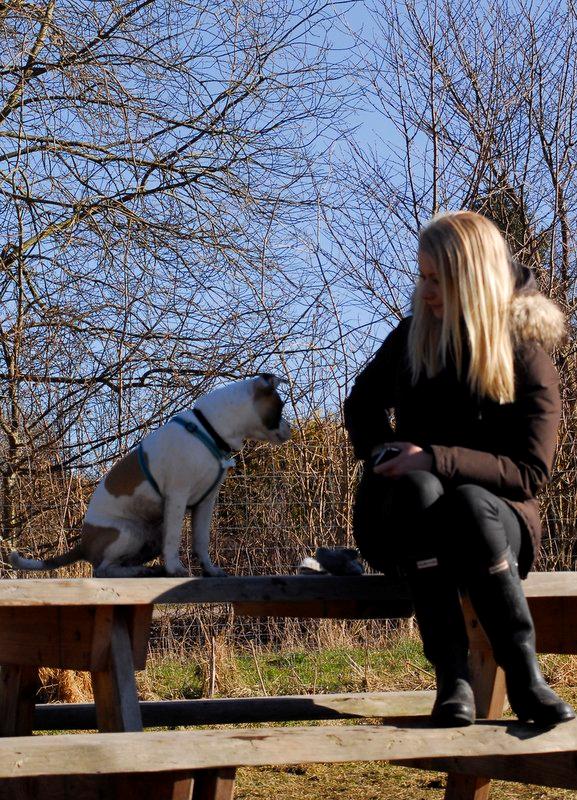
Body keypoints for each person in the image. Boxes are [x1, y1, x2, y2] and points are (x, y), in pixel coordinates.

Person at [343, 210, 575, 728]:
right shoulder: (413, 336)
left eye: (437, 279)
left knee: (467, 502)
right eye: (421, 276)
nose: (424, 290)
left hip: (496, 525)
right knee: (421, 489)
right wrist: (384, 454)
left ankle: (525, 675)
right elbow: (360, 401)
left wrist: (436, 457)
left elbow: (529, 473)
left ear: (472, 279)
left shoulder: (524, 351)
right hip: (406, 519)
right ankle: (453, 679)